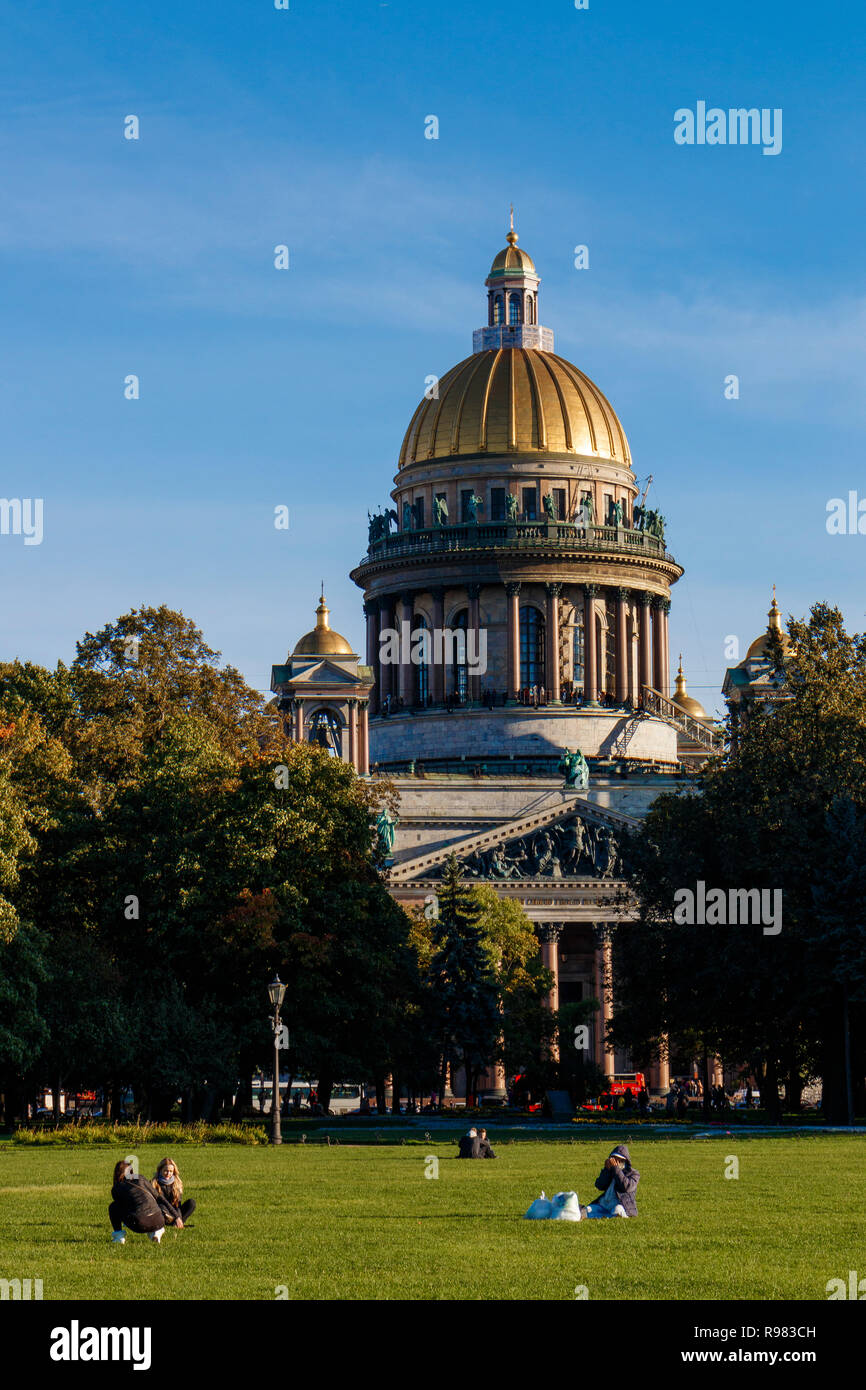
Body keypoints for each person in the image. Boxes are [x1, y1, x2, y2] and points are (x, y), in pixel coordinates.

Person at [108, 1159, 167, 1245]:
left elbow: (123, 1208)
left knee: (113, 1207)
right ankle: (156, 1232)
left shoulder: (117, 1188)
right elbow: (158, 1197)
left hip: (140, 1224)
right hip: (160, 1221)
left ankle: (119, 1237)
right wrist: (177, 1217)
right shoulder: (140, 1178)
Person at [582, 1144, 640, 1219]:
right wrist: (606, 1170)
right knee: (588, 1209)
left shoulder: (633, 1174)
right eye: (613, 1159)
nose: (615, 1162)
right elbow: (599, 1185)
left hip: (620, 1204)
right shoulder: (610, 1171)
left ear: (625, 1160)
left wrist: (616, 1170)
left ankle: (603, 1216)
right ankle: (603, 1215)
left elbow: (626, 1187)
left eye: (619, 1159)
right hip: (604, 1204)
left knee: (617, 1210)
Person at [152, 1156, 196, 1229]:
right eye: (166, 1171)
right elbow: (163, 1203)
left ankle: (178, 1224)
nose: (168, 1173)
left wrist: (178, 1218)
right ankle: (174, 1223)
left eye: (171, 1171)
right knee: (162, 1207)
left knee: (192, 1203)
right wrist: (177, 1217)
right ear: (160, 1170)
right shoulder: (154, 1184)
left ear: (174, 1171)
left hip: (174, 1211)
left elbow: (177, 1205)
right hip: (162, 1211)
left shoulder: (177, 1183)